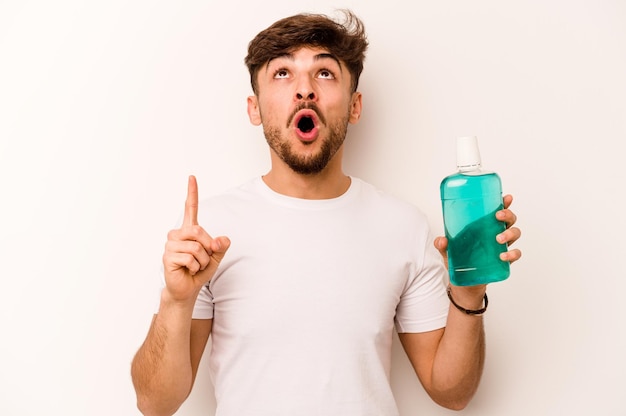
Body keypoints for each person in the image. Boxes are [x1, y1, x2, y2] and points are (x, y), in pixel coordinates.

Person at [130, 9, 522, 416]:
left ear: (354, 106)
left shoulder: (403, 227)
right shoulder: (207, 235)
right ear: (254, 108)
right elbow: (155, 403)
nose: (304, 90)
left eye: (325, 73)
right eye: (282, 73)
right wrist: (177, 301)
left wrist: (468, 292)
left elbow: (452, 392)